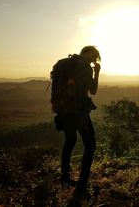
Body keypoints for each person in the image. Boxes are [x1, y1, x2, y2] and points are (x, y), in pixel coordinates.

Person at [57, 46, 100, 195]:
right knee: (90, 144)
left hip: (63, 110)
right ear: (89, 55)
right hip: (78, 112)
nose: (94, 61)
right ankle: (82, 184)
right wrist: (97, 72)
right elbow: (93, 90)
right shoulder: (85, 68)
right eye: (94, 58)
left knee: (70, 141)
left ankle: (65, 177)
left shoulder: (66, 64)